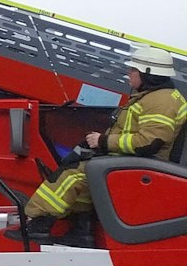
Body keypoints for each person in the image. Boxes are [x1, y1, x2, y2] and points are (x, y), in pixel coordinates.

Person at [19, 47, 186, 238]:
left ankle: (37, 224)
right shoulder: (157, 97)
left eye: (133, 70)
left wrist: (104, 141)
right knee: (85, 173)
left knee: (71, 176)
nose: (129, 73)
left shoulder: (160, 102)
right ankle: (82, 231)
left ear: (148, 74)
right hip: (139, 162)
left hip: (144, 165)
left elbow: (149, 143)